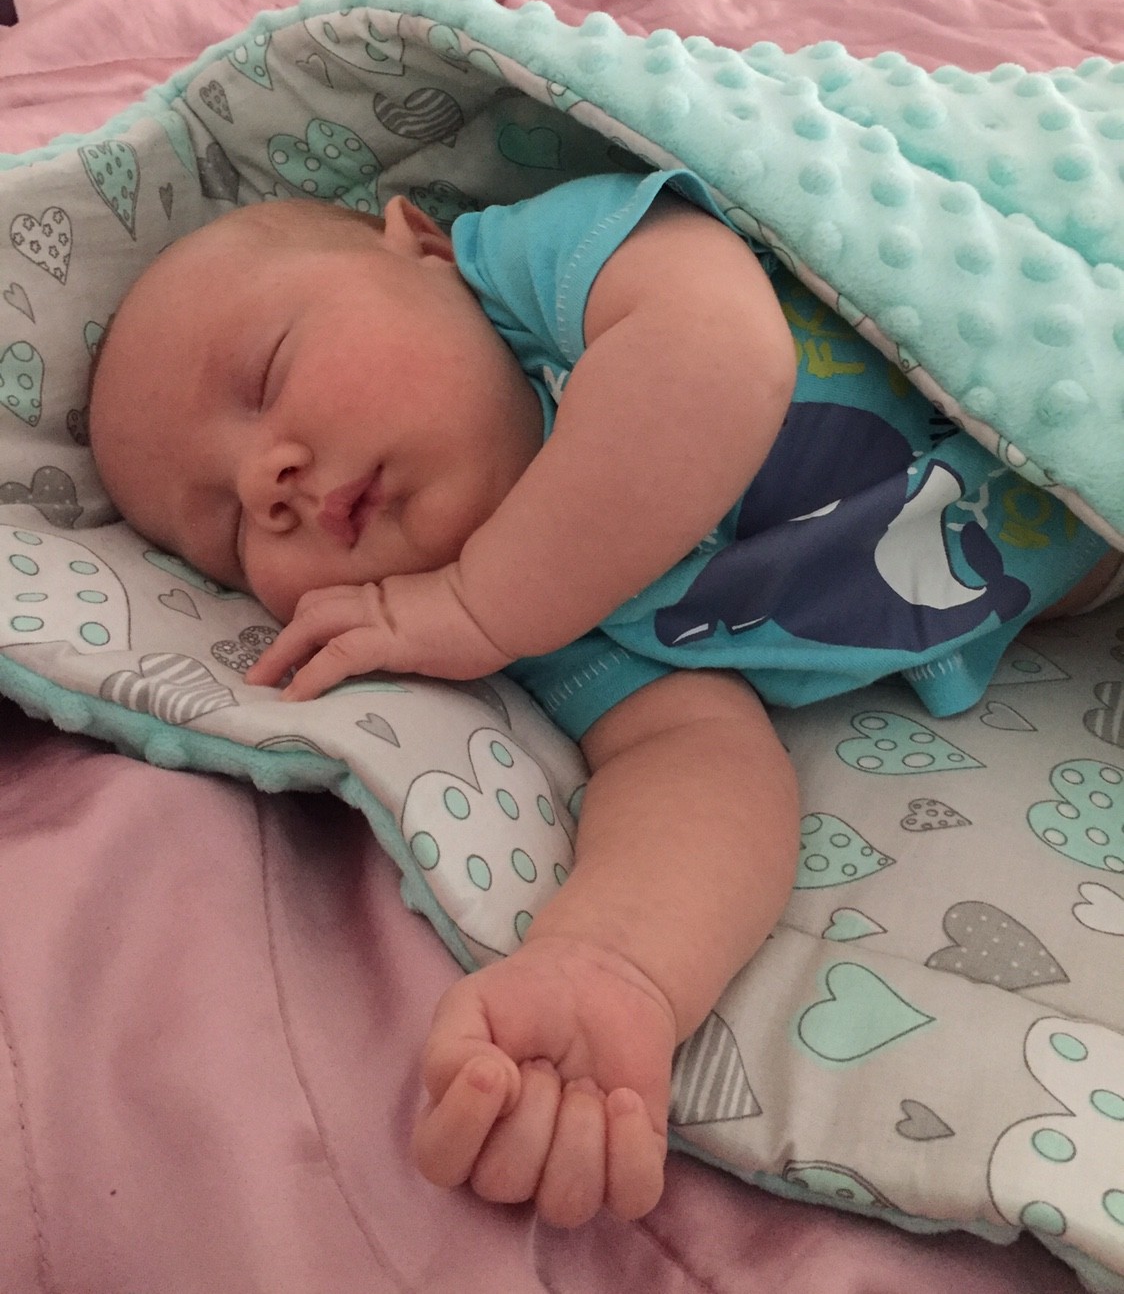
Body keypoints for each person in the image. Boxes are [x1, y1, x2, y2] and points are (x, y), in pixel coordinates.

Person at [88, 170, 1120, 1229]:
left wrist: (479, 603)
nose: (264, 480)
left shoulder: (556, 270)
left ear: (419, 247)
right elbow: (699, 770)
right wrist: (613, 964)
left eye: (267, 371)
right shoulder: (565, 644)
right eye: (229, 534)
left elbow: (721, 355)